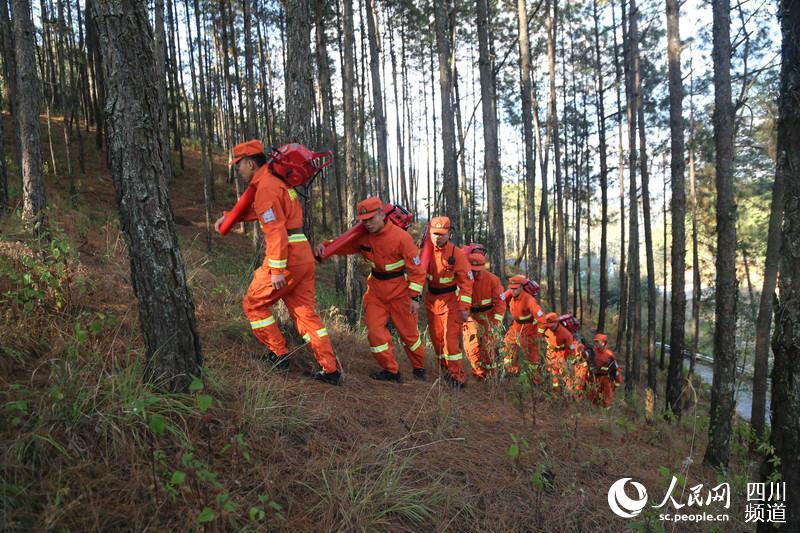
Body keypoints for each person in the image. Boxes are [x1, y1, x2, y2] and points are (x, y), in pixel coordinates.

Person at [215, 140, 340, 385]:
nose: (237, 170)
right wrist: (229, 217)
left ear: (250, 164)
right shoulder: (277, 184)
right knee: (306, 316)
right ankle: (331, 369)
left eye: (238, 166)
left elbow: (275, 231)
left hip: (288, 257)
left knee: (253, 304)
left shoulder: (266, 188)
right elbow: (267, 213)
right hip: (301, 254)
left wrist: (277, 269)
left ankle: (279, 354)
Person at [315, 197, 426, 382]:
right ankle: (391, 371)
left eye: (372, 218)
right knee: (375, 333)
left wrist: (415, 297)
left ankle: (419, 367)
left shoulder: (402, 238)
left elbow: (417, 269)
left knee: (410, 336)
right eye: (364, 220)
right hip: (376, 291)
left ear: (382, 215)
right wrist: (326, 246)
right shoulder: (363, 236)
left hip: (400, 292)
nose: (368, 223)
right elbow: (344, 246)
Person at [425, 216, 473, 388]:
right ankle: (445, 372)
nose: (438, 237)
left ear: (449, 234)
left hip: (450, 302)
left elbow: (466, 283)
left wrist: (464, 307)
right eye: (435, 233)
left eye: (442, 234)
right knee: (437, 340)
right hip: (431, 301)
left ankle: (458, 377)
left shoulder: (457, 254)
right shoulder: (424, 252)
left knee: (450, 340)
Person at [462, 253, 506, 380]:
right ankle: (479, 375)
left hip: (488, 317)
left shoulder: (493, 280)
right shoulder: (464, 277)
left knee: (489, 348)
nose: (475, 273)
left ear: (483, 267)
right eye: (473, 270)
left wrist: (496, 322)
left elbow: (500, 302)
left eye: (478, 271)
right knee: (472, 347)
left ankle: (492, 376)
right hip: (470, 316)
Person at [502, 275, 545, 379]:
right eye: (511, 288)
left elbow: (542, 319)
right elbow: (499, 300)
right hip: (515, 326)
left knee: (532, 355)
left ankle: (536, 379)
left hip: (529, 328)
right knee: (508, 347)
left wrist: (539, 334)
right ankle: (512, 372)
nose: (513, 291)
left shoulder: (529, 300)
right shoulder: (509, 296)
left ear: (521, 287)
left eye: (515, 288)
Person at [539, 312, 580, 392]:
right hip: (550, 354)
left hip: (561, 355)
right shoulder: (546, 329)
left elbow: (571, 349)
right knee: (553, 375)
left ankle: (570, 392)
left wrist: (569, 361)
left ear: (556, 323)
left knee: (565, 375)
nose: (549, 327)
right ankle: (555, 391)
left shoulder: (566, 335)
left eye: (550, 325)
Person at [587, 333, 622, 407]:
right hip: (594, 377)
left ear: (603, 343)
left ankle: (606, 414)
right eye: (595, 342)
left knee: (607, 398)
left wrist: (617, 380)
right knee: (591, 397)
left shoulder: (609, 354)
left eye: (597, 342)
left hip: (605, 378)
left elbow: (615, 368)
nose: (596, 343)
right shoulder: (593, 351)